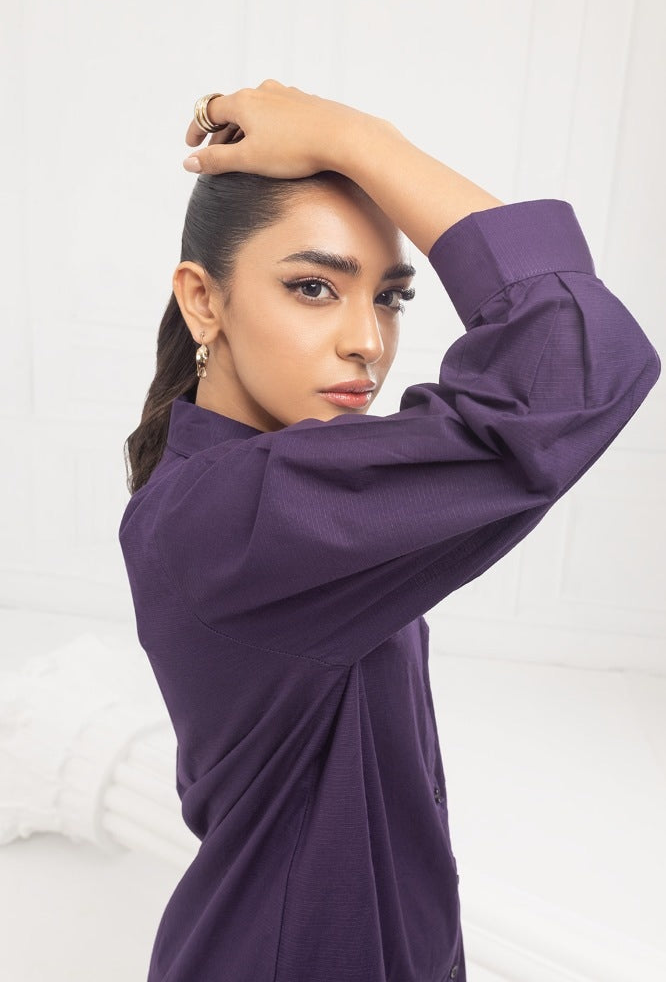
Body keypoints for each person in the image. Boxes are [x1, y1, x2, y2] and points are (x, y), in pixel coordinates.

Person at [118, 80, 661, 982]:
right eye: (313, 287)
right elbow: (572, 365)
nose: (367, 341)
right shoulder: (237, 514)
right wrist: (359, 138)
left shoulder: (260, 488)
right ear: (203, 301)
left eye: (390, 298)